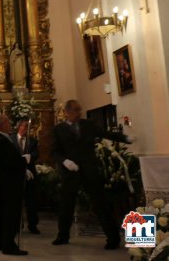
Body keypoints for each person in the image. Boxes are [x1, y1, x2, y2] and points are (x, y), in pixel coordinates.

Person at [51, 99, 131, 249]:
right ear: (68, 112)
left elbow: (105, 133)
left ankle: (112, 238)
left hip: (90, 170)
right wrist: (65, 161)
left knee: (101, 203)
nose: (79, 113)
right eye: (76, 110)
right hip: (71, 172)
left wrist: (126, 138)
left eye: (79, 109)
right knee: (66, 205)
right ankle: (63, 235)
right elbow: (55, 151)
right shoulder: (59, 129)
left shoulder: (88, 125)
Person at [0, 114, 29, 256]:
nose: (10, 124)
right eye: (7, 122)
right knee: (10, 216)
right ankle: (9, 246)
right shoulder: (1, 141)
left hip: (2, 184)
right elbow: (10, 162)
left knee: (2, 215)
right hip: (9, 185)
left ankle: (1, 242)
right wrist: (25, 161)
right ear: (0, 125)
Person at [11, 119, 40, 234]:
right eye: (24, 127)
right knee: (16, 201)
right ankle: (17, 225)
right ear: (19, 127)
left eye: (28, 127)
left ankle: (33, 225)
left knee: (31, 201)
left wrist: (30, 156)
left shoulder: (32, 141)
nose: (26, 129)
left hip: (30, 173)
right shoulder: (11, 139)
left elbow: (36, 153)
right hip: (16, 173)